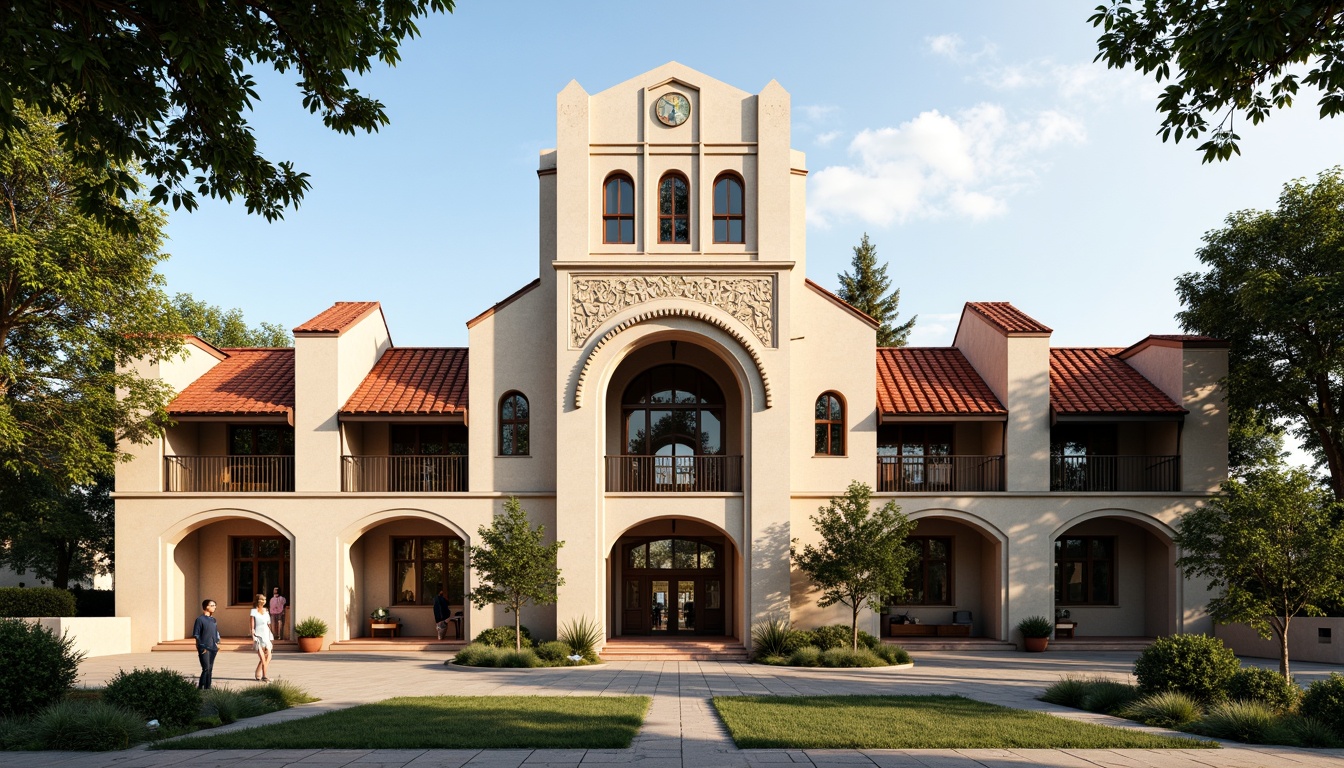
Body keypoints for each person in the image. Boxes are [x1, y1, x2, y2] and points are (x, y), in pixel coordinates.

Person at [192, 598, 220, 689]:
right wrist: (201, 646)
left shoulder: (213, 620)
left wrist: (217, 643)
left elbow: (215, 633)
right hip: (204, 647)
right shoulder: (200, 619)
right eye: (212, 605)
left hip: (213, 647)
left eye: (215, 605)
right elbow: (196, 634)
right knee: (206, 668)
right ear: (206, 607)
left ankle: (208, 688)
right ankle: (200, 688)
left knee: (210, 669)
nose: (214, 607)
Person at [250, 593, 273, 681]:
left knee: (268, 656)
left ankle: (258, 672)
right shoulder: (253, 611)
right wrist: (253, 636)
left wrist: (271, 635)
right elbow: (252, 626)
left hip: (266, 635)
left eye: (265, 600)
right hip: (258, 636)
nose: (264, 601)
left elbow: (269, 624)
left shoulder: (266, 611)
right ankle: (265, 676)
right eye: (262, 599)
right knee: (262, 658)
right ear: (258, 601)